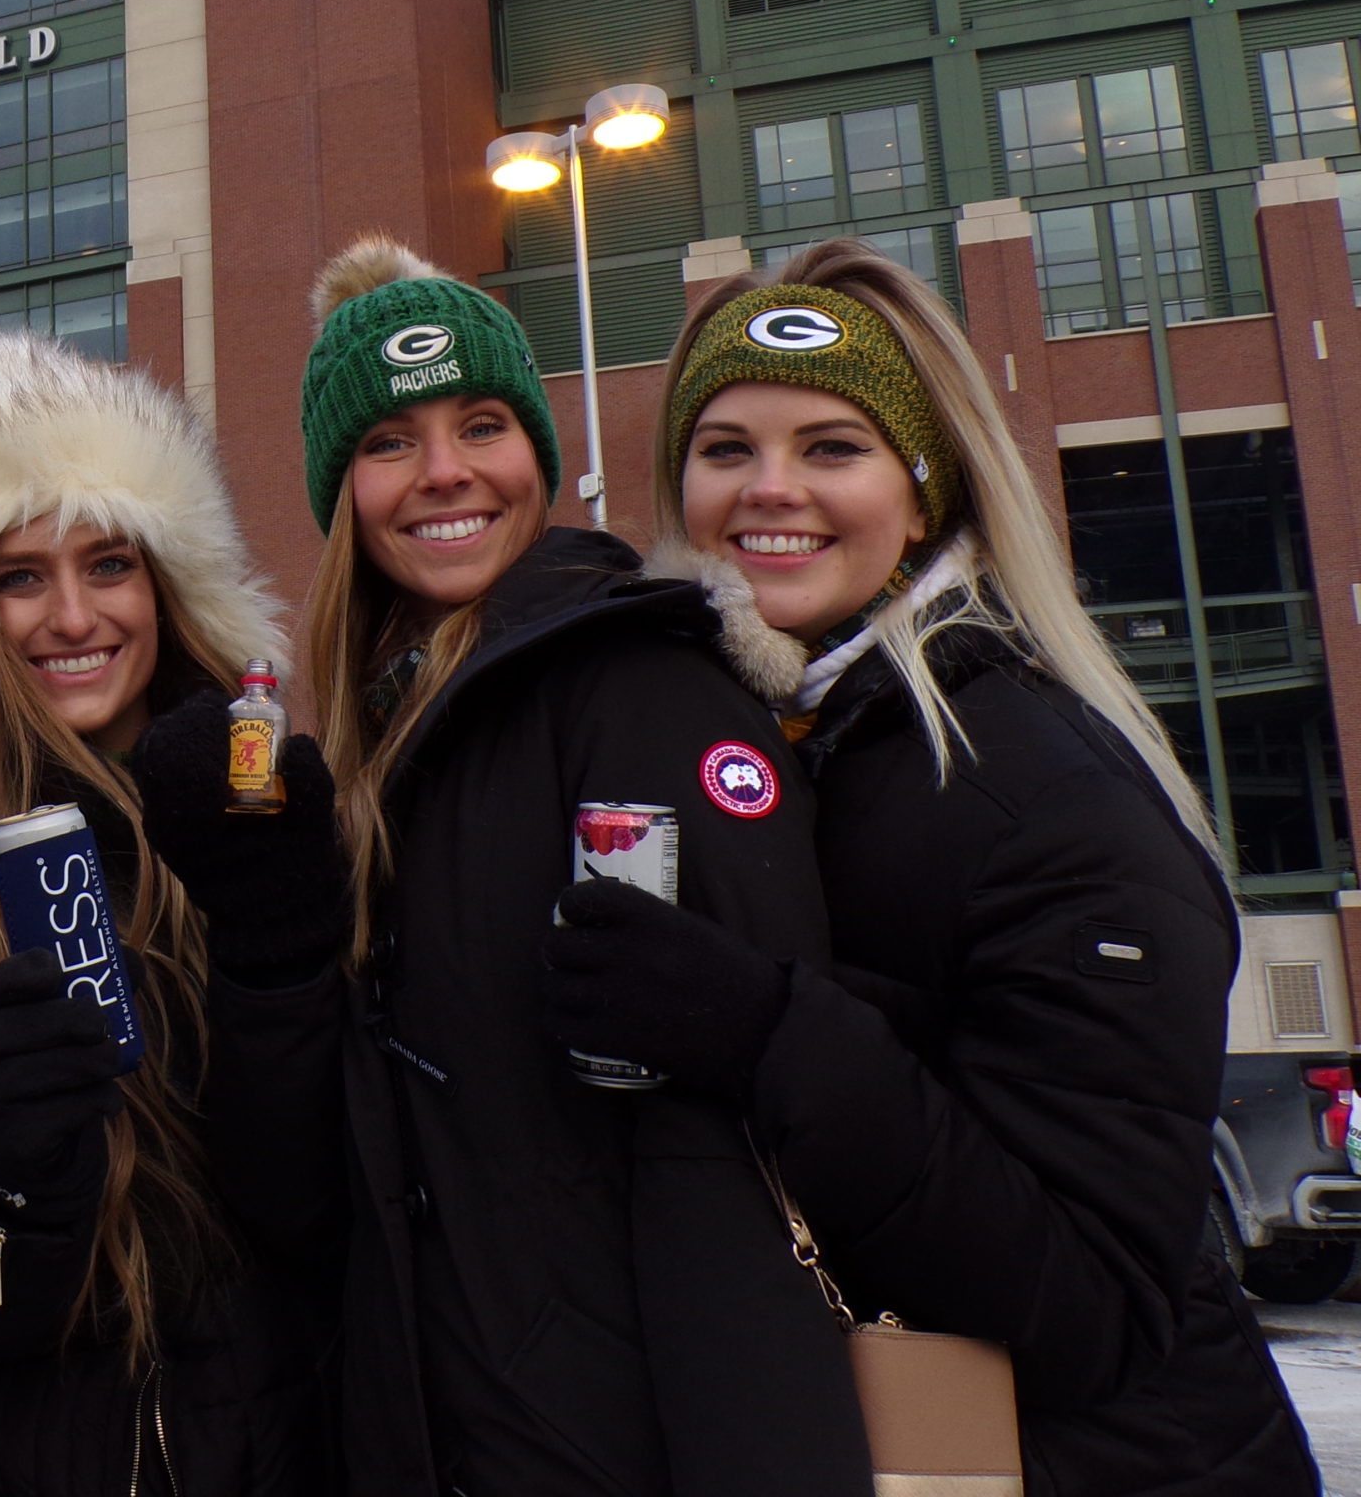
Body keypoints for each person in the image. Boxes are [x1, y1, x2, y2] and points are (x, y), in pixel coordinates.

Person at [546, 238, 1318, 1494]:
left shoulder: (1043, 790)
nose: (768, 490)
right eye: (725, 449)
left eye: (831, 449)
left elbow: (1091, 1304)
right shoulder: (780, 745)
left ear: (924, 494)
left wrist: (769, 1035)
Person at [291, 236, 873, 1497]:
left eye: (482, 424)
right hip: (455, 1432)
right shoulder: (379, 739)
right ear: (340, 489)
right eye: (388, 442)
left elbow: (736, 1154)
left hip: (615, 1444)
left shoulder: (641, 689)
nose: (443, 472)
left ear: (537, 459)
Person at [0, 327, 348, 1495]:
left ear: (169, 582)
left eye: (110, 565)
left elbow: (326, 1211)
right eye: (21, 576)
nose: (72, 618)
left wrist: (280, 968)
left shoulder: (271, 809)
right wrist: (23, 1168)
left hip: (298, 1441)